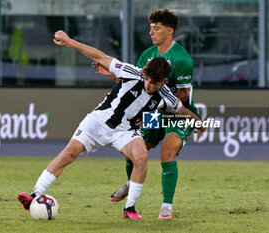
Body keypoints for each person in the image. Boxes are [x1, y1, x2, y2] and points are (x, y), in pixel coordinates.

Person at [17, 30, 205, 220]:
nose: (148, 85)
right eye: (147, 78)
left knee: (141, 157)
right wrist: (70, 42)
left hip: (124, 131)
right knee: (69, 153)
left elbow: (182, 110)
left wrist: (199, 122)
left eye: (154, 83)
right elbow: (100, 56)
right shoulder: (132, 72)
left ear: (164, 81)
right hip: (98, 121)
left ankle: (130, 208)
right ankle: (34, 194)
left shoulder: (166, 96)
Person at [93, 8, 199, 219]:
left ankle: (166, 207)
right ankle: (130, 184)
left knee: (167, 152)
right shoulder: (146, 56)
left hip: (176, 113)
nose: (151, 33)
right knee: (135, 149)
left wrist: (156, 106)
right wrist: (113, 76)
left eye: (156, 28)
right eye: (150, 28)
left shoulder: (182, 58)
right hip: (154, 111)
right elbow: (139, 85)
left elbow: (183, 95)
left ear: (169, 31)